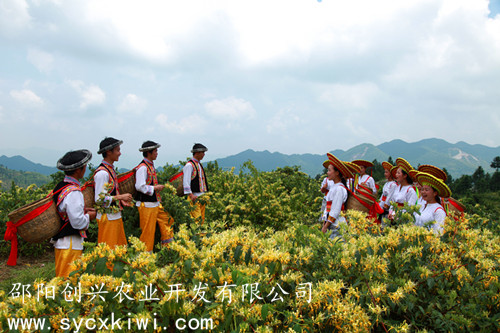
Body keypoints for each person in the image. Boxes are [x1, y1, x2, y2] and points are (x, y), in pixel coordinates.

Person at [52, 149, 96, 277]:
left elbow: (66, 211)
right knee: (70, 280)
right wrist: (89, 216)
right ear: (78, 170)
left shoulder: (61, 186)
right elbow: (77, 222)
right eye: (84, 166)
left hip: (63, 242)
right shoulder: (74, 192)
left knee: (63, 279)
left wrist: (83, 211)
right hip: (71, 243)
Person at [135, 141, 175, 251]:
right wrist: (154, 188)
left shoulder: (150, 166)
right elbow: (139, 186)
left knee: (168, 220)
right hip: (146, 205)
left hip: (155, 203)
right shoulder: (142, 167)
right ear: (149, 152)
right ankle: (146, 259)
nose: (157, 153)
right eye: (155, 151)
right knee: (147, 232)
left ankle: (167, 248)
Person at [94, 137, 133, 248]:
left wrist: (120, 201)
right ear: (108, 152)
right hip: (107, 218)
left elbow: (110, 194)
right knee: (109, 250)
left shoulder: (109, 170)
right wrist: (120, 197)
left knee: (118, 249)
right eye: (117, 150)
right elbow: (99, 200)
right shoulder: (102, 173)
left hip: (113, 216)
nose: (120, 153)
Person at [321, 153, 354, 239]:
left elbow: (335, 211)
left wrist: (325, 226)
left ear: (337, 173)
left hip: (337, 225)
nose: (327, 173)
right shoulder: (334, 186)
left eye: (329, 170)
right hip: (332, 224)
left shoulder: (339, 189)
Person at [183, 143, 209, 224]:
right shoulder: (189, 165)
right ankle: (197, 235)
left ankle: (201, 236)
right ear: (197, 153)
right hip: (194, 197)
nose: (204, 154)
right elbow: (186, 182)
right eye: (202, 152)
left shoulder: (198, 164)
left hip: (201, 197)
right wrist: (191, 195)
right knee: (197, 220)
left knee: (202, 219)